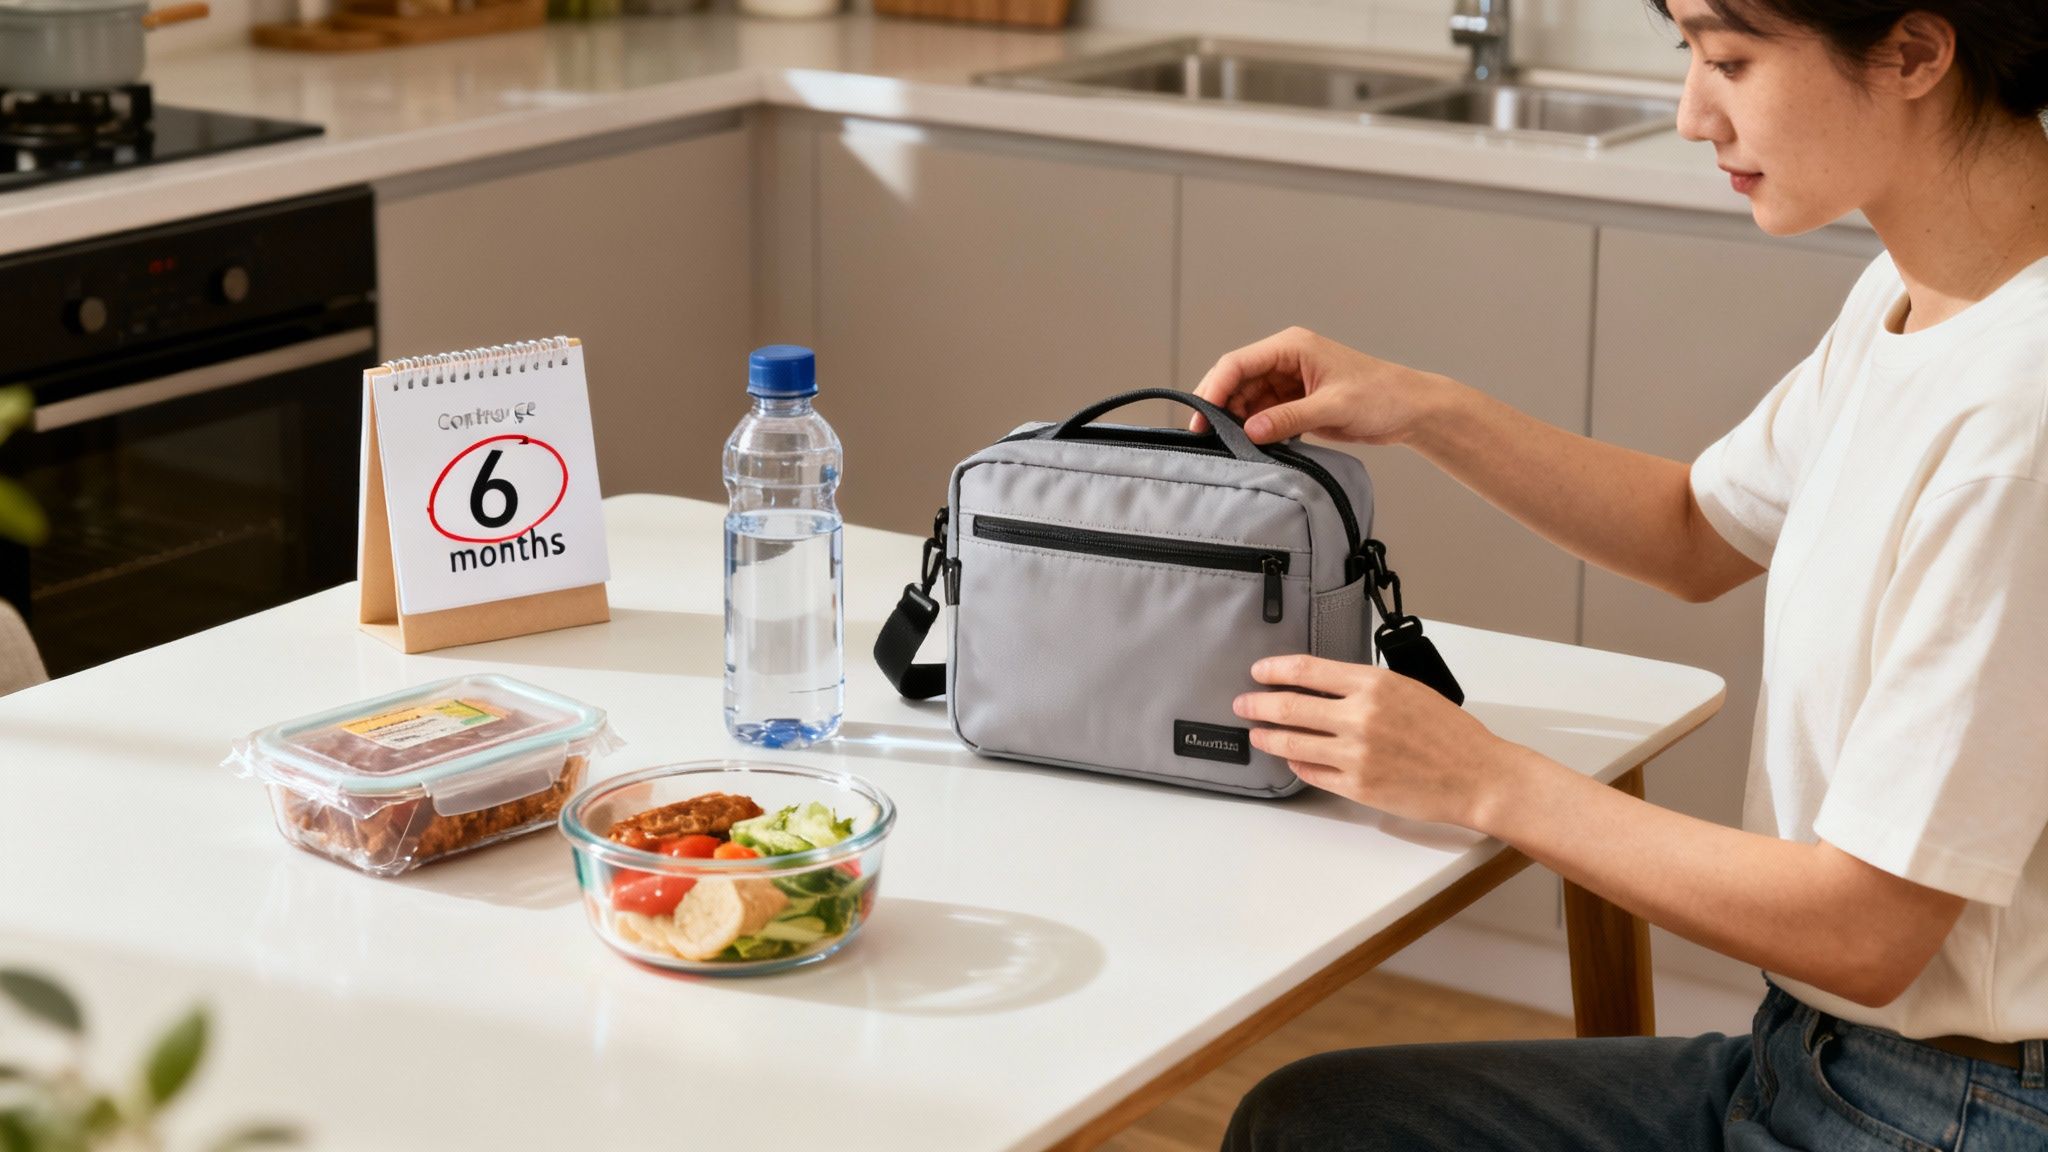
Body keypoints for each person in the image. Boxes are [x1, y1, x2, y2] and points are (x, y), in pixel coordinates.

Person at [1195, 0, 2048, 1145]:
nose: (1692, 111)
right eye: (1686, 53)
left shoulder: (2017, 415)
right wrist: (1418, 407)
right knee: (1309, 1122)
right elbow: (1695, 530)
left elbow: (1864, 928)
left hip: (1948, 1110)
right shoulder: (1914, 298)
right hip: (1809, 1056)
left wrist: (1483, 779)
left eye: (1729, 60)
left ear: (1913, 52)